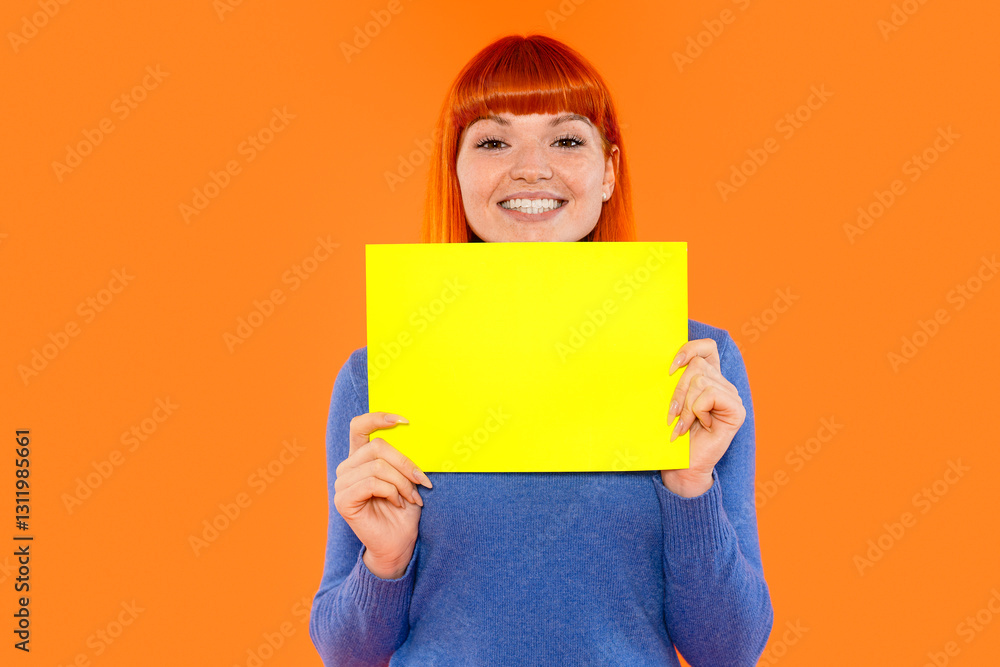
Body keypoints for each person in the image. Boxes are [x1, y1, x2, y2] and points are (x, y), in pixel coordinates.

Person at [310, 34, 774, 666]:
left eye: (567, 140)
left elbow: (731, 650)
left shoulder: (698, 367)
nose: (531, 168)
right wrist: (384, 562)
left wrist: (691, 485)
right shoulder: (376, 375)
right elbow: (344, 654)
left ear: (608, 172)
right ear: (456, 171)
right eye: (493, 142)